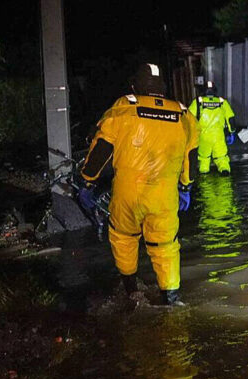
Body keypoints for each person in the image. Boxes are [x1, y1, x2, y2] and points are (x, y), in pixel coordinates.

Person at [79, 63, 199, 306]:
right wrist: (186, 187)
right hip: (165, 196)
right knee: (166, 247)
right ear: (162, 88)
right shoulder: (183, 114)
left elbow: (101, 149)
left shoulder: (124, 107)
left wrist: (87, 181)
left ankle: (131, 291)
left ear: (136, 86)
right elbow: (191, 157)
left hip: (128, 193)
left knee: (123, 238)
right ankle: (171, 299)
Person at [188, 81, 236, 175]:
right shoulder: (222, 102)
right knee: (221, 157)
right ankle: (225, 171)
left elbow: (189, 118)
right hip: (219, 136)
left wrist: (189, 134)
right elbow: (230, 118)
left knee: (204, 158)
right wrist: (232, 132)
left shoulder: (197, 102)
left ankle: (204, 175)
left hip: (203, 137)